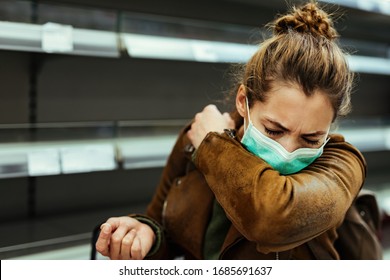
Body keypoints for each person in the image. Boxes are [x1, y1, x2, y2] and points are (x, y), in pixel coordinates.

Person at [95, 1, 367, 260]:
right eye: (273, 130)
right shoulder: (195, 139)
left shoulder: (342, 164)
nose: (287, 151)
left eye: (311, 138)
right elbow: (162, 224)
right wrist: (147, 236)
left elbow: (271, 220)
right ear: (243, 101)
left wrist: (214, 146)